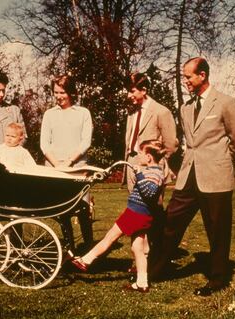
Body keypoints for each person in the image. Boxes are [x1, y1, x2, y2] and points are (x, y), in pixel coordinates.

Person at [149, 57, 235, 296]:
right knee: (170, 221)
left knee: (217, 229)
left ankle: (217, 279)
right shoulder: (185, 108)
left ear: (202, 75)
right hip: (188, 176)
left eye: (188, 77)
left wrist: (221, 162)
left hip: (216, 177)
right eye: (184, 77)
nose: (185, 81)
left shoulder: (225, 103)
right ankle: (153, 271)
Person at [70, 140, 165, 293]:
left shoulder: (154, 173)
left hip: (135, 214)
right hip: (141, 214)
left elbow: (150, 192)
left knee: (109, 237)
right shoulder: (152, 170)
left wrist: (139, 174)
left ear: (148, 157)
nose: (138, 156)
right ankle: (142, 282)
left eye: (140, 153)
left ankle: (86, 260)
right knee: (137, 248)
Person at [40, 74, 93, 252]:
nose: (59, 96)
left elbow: (86, 142)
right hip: (55, 169)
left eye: (62, 92)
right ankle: (70, 249)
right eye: (56, 92)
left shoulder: (83, 113)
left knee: (83, 209)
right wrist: (57, 166)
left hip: (77, 168)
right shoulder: (49, 114)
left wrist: (70, 162)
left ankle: (88, 249)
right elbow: (44, 144)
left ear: (71, 92)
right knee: (62, 210)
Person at [124, 72, 178, 193]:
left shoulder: (161, 111)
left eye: (132, 91)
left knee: (153, 208)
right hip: (131, 163)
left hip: (151, 166)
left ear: (143, 90)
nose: (128, 95)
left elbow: (170, 145)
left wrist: (156, 162)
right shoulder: (131, 113)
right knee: (135, 206)